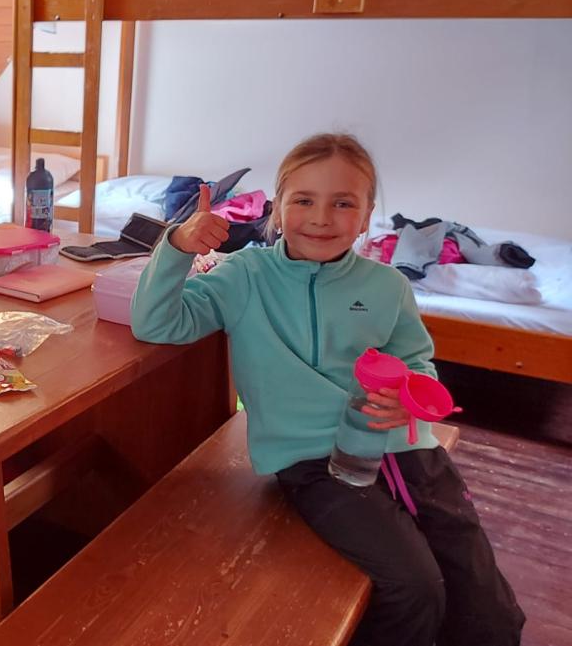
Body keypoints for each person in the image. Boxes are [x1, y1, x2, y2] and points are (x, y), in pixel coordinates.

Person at [131, 134, 523, 646]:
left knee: (491, 613)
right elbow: (157, 323)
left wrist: (410, 394)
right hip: (314, 463)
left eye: (342, 203)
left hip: (408, 450)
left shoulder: (387, 286)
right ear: (277, 208)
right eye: (304, 200)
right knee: (415, 588)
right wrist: (178, 247)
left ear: (365, 217)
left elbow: (416, 362)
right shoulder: (244, 276)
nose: (321, 218)